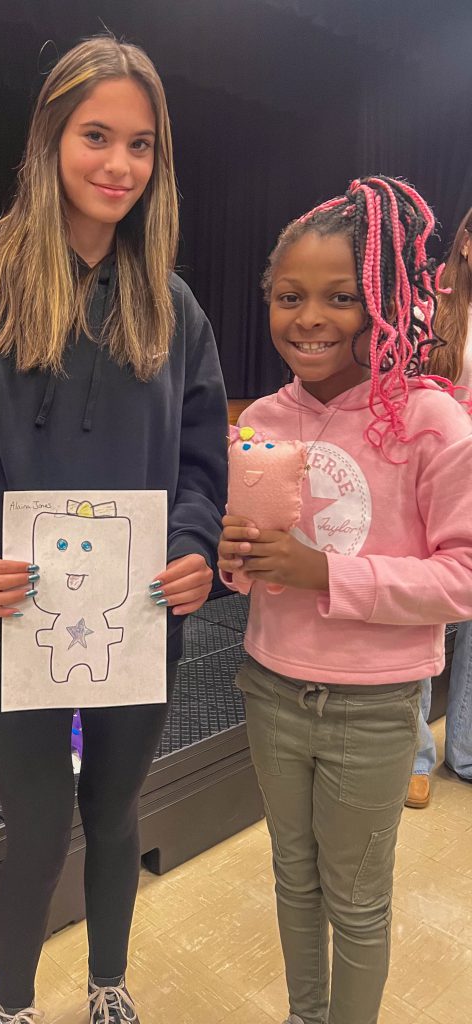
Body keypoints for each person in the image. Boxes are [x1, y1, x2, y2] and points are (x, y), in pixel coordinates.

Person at [0, 36, 227, 1024]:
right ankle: (10, 1000)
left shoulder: (174, 310)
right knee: (37, 824)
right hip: (19, 628)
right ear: (49, 138)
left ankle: (109, 984)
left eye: (141, 144)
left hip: (140, 624)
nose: (119, 165)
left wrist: (197, 543)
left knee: (115, 815)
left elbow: (205, 463)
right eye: (96, 136)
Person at [217, 176, 472, 1024]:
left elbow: (464, 577)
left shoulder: (432, 422)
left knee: (357, 903)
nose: (310, 318)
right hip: (270, 687)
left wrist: (325, 573)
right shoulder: (260, 418)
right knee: (292, 878)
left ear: (383, 303)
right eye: (290, 297)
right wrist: (235, 560)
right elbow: (253, 567)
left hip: (374, 705)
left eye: (339, 297)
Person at [406, 205, 472, 807]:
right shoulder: (434, 306)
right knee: (427, 614)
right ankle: (413, 759)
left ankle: (467, 748)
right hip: (438, 475)